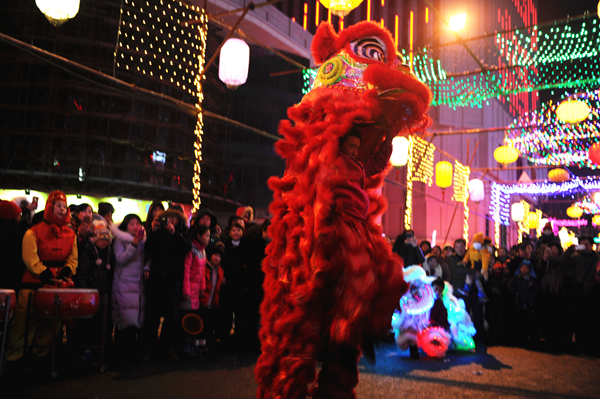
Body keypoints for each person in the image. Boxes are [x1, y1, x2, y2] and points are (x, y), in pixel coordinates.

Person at [6, 191, 78, 362]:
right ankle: (14, 359)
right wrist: (42, 271)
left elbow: (73, 258)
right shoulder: (33, 231)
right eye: (58, 205)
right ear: (50, 207)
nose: (62, 209)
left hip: (58, 285)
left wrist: (68, 270)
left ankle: (39, 359)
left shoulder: (71, 234)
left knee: (51, 324)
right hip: (32, 284)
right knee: (24, 322)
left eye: (64, 206)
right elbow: (29, 256)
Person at [141, 208, 191, 360]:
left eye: (174, 217)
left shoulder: (183, 232)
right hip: (157, 277)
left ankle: (166, 347)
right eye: (168, 217)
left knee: (172, 316)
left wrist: (174, 233)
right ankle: (149, 348)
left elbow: (187, 247)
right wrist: (154, 231)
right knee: (152, 314)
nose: (171, 220)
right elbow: (148, 248)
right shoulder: (158, 233)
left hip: (173, 278)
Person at [71, 219, 113, 363]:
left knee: (98, 327)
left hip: (102, 295)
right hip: (88, 296)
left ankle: (96, 353)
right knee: (86, 327)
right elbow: (82, 274)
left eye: (106, 235)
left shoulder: (107, 253)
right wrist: (85, 295)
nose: (104, 239)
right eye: (100, 235)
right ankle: (83, 353)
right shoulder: (87, 252)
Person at [111, 214, 149, 361]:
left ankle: (132, 352)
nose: (135, 227)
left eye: (138, 224)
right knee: (125, 319)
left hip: (139, 285)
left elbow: (148, 258)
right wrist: (134, 244)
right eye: (132, 224)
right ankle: (121, 352)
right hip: (124, 284)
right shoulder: (120, 240)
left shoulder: (144, 241)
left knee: (137, 319)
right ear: (125, 226)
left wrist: (147, 268)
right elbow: (121, 259)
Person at [198, 242, 225, 350]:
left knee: (208, 324)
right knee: (201, 323)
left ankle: (205, 345)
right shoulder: (205, 267)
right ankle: (198, 345)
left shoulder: (220, 271)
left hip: (212, 301)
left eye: (219, 256)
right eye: (215, 255)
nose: (217, 258)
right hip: (203, 300)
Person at [508, 260, 541, 346]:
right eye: (522, 268)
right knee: (520, 320)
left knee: (530, 321)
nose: (524, 269)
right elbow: (509, 287)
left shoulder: (533, 280)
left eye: (526, 268)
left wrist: (532, 295)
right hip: (519, 303)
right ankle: (520, 338)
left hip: (529, 304)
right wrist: (516, 293)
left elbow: (538, 290)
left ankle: (530, 338)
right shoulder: (516, 278)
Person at [1, 200, 24, 291]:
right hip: (10, 278)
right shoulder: (12, 235)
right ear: (12, 216)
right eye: (19, 214)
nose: (20, 217)